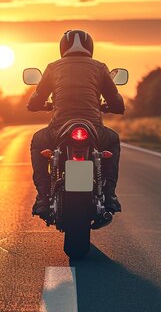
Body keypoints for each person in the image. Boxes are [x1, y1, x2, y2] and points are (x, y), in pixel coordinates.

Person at [27, 29, 125, 217]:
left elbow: (36, 98)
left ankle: (42, 196)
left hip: (58, 129)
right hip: (94, 129)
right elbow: (116, 100)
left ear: (62, 48)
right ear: (90, 47)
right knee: (113, 140)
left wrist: (37, 105)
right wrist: (111, 107)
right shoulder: (99, 67)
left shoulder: (53, 67)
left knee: (38, 141)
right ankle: (110, 194)